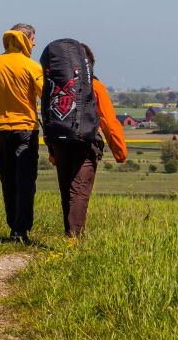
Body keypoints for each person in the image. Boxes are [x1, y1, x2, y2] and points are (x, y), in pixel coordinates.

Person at [46, 42, 127, 237]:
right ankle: (74, 239)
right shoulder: (95, 86)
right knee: (80, 190)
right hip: (86, 144)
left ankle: (70, 233)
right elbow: (108, 120)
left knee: (67, 190)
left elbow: (49, 116)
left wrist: (51, 150)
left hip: (60, 143)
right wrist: (120, 152)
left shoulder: (56, 86)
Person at [0, 23, 43, 242]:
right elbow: (45, 94)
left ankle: (12, 225)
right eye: (33, 39)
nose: (35, 43)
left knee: (7, 179)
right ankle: (21, 229)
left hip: (0, 130)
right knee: (26, 179)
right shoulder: (32, 66)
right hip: (26, 129)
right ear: (25, 39)